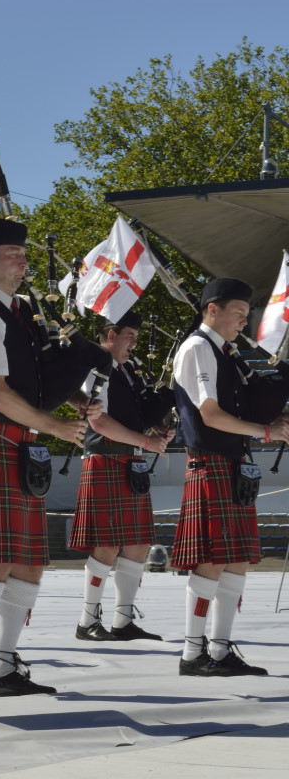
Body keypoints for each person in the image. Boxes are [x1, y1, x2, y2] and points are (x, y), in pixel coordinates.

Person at [0, 217, 100, 698]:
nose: (23, 260)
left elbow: (36, 377)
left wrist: (74, 400)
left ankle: (4, 663)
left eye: (23, 252)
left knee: (28, 562)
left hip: (16, 437)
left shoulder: (23, 310)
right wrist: (57, 428)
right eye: (12, 253)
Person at [170, 277, 289, 677]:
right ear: (212, 309)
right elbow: (211, 414)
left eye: (246, 314)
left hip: (234, 465)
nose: (243, 321)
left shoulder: (226, 353)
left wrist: (273, 419)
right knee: (211, 561)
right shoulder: (197, 347)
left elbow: (242, 410)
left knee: (236, 560)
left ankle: (219, 650)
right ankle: (192, 652)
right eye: (238, 312)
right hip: (212, 463)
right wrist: (267, 432)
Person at [69, 312, 174, 641]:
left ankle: (123, 621)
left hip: (131, 461)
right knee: (106, 545)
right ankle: (87, 622)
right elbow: (99, 423)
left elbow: (139, 412)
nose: (134, 342)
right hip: (105, 457)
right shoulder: (94, 368)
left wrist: (160, 427)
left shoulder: (130, 371)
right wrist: (147, 441)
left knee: (139, 545)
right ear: (110, 335)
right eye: (129, 335)